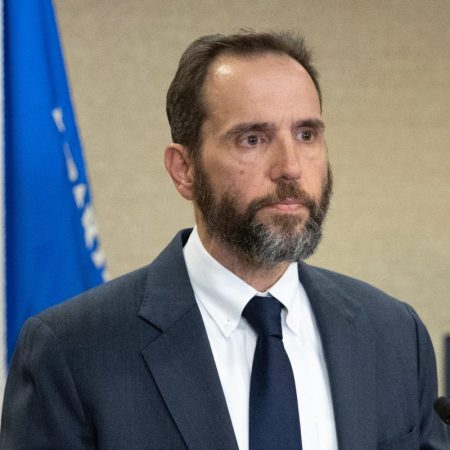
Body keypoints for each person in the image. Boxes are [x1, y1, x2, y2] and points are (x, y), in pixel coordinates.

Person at [1, 31, 448, 450]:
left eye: (306, 135)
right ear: (184, 170)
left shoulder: (393, 334)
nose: (290, 166)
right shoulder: (72, 350)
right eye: (252, 139)